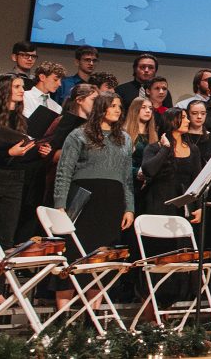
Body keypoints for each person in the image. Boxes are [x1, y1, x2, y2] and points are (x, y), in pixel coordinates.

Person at [0, 75, 51, 308]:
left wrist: (38, 151)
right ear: (4, 90)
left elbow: (23, 158)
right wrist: (8, 154)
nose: (21, 91)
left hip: (16, 180)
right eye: (16, 87)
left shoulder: (22, 121)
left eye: (22, 87)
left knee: (7, 236)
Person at [53, 92, 135, 309]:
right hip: (84, 199)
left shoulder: (125, 139)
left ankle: (92, 317)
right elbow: (64, 171)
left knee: (101, 260)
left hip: (112, 203)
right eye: (113, 105)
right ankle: (62, 317)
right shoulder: (78, 135)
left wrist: (130, 207)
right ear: (101, 108)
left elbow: (127, 177)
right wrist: (60, 204)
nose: (118, 110)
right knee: (73, 257)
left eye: (120, 106)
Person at [42, 83, 98, 207]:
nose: (97, 105)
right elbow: (50, 152)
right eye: (94, 100)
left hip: (83, 179)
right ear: (79, 100)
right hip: (59, 180)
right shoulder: (63, 122)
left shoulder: (95, 126)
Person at [123, 96, 159, 207]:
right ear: (135, 110)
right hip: (129, 185)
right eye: (143, 107)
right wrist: (136, 172)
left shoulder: (153, 135)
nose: (148, 111)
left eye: (150, 108)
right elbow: (120, 162)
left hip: (148, 186)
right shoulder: (124, 133)